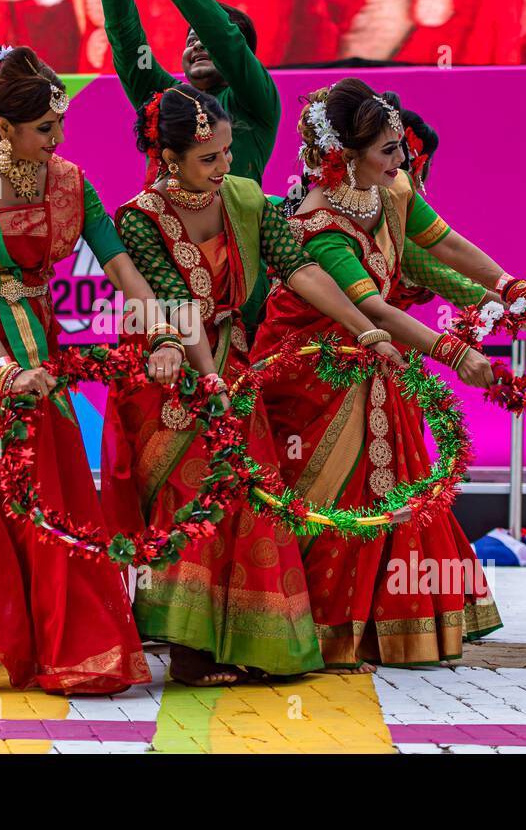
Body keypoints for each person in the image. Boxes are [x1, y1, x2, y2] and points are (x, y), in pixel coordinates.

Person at [0, 43, 180, 698]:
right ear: (3, 129)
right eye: (44, 129)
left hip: (34, 337)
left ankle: (65, 640)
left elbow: (119, 267)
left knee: (48, 485)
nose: (57, 139)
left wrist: (164, 327)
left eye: (60, 125)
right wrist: (1, 369)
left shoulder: (70, 180)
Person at [100, 85, 407, 685]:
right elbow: (176, 303)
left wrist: (364, 329)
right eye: (207, 159)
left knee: (249, 498)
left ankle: (251, 642)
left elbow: (303, 269)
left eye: (227, 152)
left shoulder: (249, 202)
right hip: (169, 369)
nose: (224, 169)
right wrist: (207, 377)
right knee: (190, 500)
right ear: (170, 159)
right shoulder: (139, 218)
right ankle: (188, 646)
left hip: (231, 366)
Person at [251, 80, 526, 669]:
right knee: (333, 499)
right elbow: (372, 307)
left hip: (376, 359)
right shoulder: (318, 225)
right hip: (315, 375)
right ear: (345, 157)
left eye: (400, 146)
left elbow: (445, 243)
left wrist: (510, 287)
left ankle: (388, 627)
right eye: (386, 150)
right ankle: (319, 632)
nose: (401, 160)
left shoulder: (392, 190)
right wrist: (455, 354)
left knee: (393, 487)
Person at [87, 0, 279, 329]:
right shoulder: (167, 103)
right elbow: (126, 37)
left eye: (205, 36)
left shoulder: (253, 104)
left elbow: (223, 34)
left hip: (239, 278)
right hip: (161, 262)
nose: (197, 41)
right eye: (189, 38)